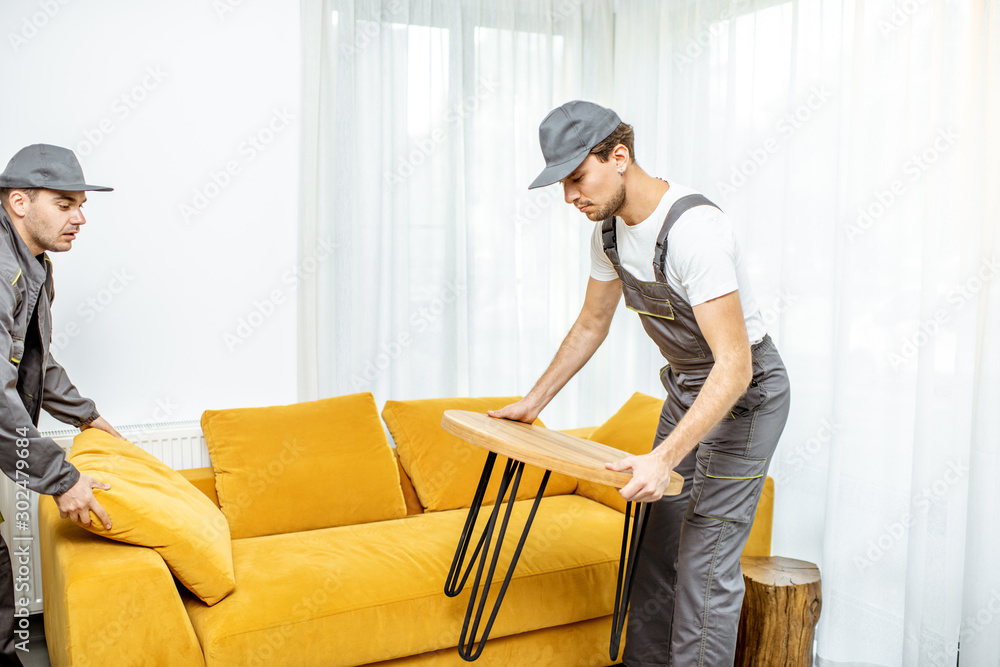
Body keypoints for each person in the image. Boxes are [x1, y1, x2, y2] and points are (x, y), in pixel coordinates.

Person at [489, 101, 791, 666]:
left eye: (577, 177)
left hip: (745, 395)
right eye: (561, 183)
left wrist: (663, 458)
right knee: (654, 540)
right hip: (688, 388)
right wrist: (533, 403)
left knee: (706, 554)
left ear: (619, 157)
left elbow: (734, 365)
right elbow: (590, 324)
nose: (569, 196)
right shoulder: (607, 234)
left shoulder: (694, 230)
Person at [0, 144, 123, 666]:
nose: (80, 218)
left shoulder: (34, 264)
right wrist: (61, 478)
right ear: (20, 202)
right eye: (66, 203)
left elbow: (33, 360)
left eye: (81, 204)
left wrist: (87, 414)